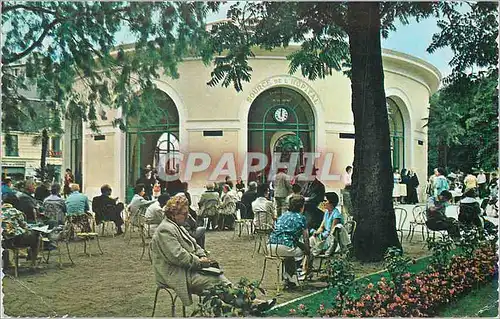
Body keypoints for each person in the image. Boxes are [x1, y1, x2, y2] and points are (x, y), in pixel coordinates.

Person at [150, 195, 275, 311]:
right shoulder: (165, 230)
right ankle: (249, 304)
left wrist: (203, 255)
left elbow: (195, 245)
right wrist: (199, 262)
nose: (187, 216)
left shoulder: (177, 225)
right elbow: (178, 256)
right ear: (173, 214)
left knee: (218, 276)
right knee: (215, 281)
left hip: (186, 269)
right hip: (174, 273)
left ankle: (250, 302)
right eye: (184, 214)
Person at [267, 195, 311, 290]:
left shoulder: (283, 215)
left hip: (270, 246)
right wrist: (307, 249)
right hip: (285, 247)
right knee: (301, 253)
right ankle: (292, 275)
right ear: (302, 206)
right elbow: (306, 238)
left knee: (290, 254)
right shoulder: (301, 218)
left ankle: (288, 278)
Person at [1, 193, 41, 271]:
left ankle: (8, 263)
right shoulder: (16, 212)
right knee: (37, 237)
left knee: (8, 237)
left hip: (3, 242)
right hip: (17, 241)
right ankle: (33, 264)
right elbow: (25, 226)